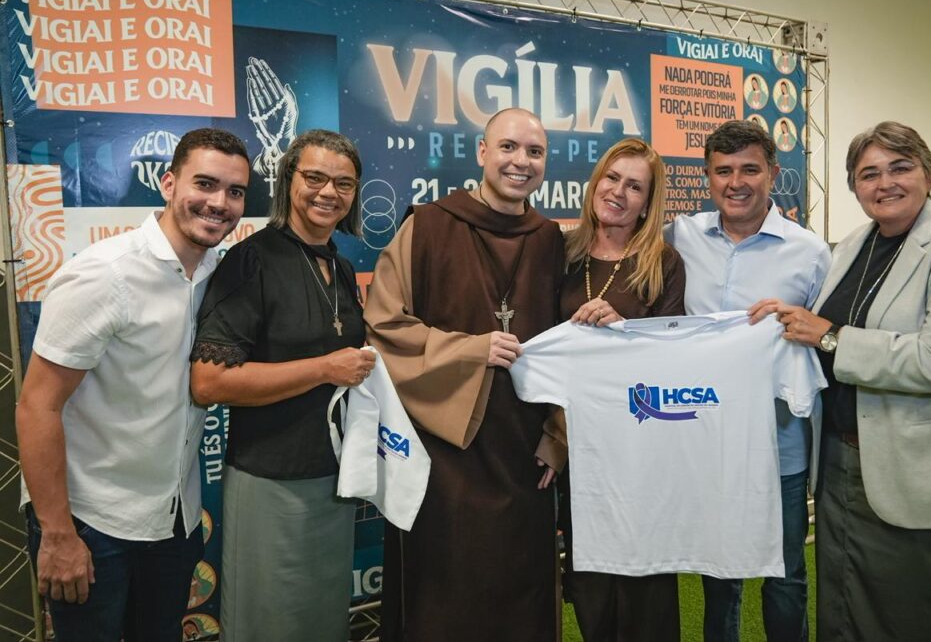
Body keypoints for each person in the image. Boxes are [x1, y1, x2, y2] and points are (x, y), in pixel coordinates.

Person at [750, 121, 931, 642]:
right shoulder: (855, 243)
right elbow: (829, 324)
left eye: (900, 167)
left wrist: (830, 337)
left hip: (926, 475)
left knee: (923, 618)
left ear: (929, 174)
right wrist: (792, 318)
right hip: (844, 468)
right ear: (854, 187)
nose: (885, 183)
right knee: (846, 614)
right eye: (868, 174)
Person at [15, 128, 250, 642]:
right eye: (205, 184)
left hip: (175, 521)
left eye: (235, 192)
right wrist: (58, 534)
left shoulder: (223, 274)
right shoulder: (105, 274)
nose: (219, 203)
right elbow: (37, 406)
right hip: (92, 525)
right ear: (168, 183)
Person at [364, 107, 565, 641]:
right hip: (444, 451)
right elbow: (384, 326)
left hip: (524, 450)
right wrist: (471, 350)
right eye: (508, 147)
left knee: (521, 593)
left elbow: (570, 350)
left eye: (535, 152)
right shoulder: (427, 227)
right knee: (445, 595)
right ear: (481, 152)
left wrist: (557, 436)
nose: (521, 161)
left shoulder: (551, 240)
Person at [190, 130, 376, 641]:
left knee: (322, 623)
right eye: (314, 177)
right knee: (268, 624)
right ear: (288, 180)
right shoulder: (251, 260)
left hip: (334, 481)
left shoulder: (340, 266)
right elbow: (209, 383)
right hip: (269, 481)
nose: (328, 192)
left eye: (343, 183)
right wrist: (323, 368)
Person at [664, 119, 830, 642]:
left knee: (786, 576)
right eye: (723, 171)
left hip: (780, 446)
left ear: (773, 174)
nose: (736, 183)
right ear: (708, 177)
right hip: (708, 443)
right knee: (719, 576)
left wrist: (801, 323)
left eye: (750, 169)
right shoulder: (679, 237)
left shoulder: (810, 253)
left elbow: (828, 337)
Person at [556, 138, 686, 641]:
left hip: (640, 450)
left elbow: (673, 356)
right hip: (576, 444)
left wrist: (623, 331)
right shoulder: (561, 253)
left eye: (634, 186)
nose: (618, 192)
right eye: (612, 178)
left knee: (646, 588)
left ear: (648, 203)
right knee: (590, 582)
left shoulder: (663, 262)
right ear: (595, 183)